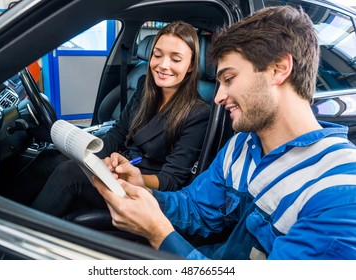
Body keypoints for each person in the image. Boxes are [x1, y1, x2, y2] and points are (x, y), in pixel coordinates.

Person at [92, 6, 356, 260]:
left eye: (229, 79)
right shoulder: (241, 147)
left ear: (279, 69)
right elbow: (196, 208)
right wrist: (144, 195)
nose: (218, 97)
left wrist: (159, 234)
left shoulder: (338, 192)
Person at [5, 21, 210, 217]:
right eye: (157, 55)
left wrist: (134, 177)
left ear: (191, 66)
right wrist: (87, 153)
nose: (163, 65)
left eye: (175, 59)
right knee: (49, 158)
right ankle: (2, 211)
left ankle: (19, 236)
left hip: (140, 188)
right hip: (117, 165)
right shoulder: (144, 87)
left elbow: (171, 180)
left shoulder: (198, 113)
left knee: (69, 173)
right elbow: (119, 132)